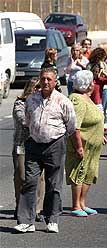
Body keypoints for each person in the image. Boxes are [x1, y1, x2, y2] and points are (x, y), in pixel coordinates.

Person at [14, 67, 76, 233]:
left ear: (55, 82)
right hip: (34, 145)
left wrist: (72, 144)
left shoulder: (63, 101)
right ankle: (26, 220)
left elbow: (71, 126)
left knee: (53, 183)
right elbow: (27, 120)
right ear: (40, 81)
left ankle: (52, 219)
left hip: (55, 145)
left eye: (49, 79)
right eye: (43, 79)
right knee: (30, 182)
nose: (46, 82)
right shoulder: (31, 100)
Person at [65, 70, 107, 217]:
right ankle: (76, 205)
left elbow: (93, 120)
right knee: (79, 172)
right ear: (88, 85)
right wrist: (78, 147)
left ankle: (82, 203)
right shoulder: (77, 100)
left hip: (93, 145)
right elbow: (75, 126)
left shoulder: (86, 97)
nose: (94, 84)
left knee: (89, 173)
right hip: (82, 145)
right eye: (92, 82)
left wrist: (100, 135)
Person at [12, 79, 45, 222]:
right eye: (36, 87)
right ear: (30, 89)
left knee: (39, 178)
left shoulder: (44, 102)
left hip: (40, 144)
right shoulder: (20, 103)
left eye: (41, 87)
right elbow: (23, 121)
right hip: (22, 145)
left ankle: (37, 209)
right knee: (22, 177)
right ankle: (20, 206)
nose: (39, 90)